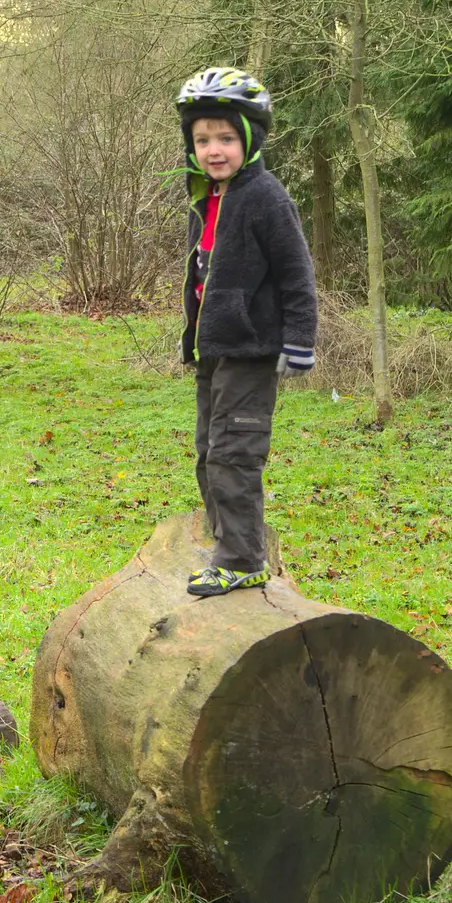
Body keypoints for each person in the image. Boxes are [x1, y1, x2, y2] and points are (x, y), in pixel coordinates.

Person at [175, 67, 318, 596]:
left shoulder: (265, 197)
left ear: (250, 138)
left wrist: (301, 341)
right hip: (215, 351)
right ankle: (225, 539)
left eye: (227, 138)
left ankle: (242, 559)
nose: (214, 149)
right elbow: (202, 273)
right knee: (208, 451)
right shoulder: (207, 195)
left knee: (235, 453)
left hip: (252, 350)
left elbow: (297, 275)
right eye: (203, 139)